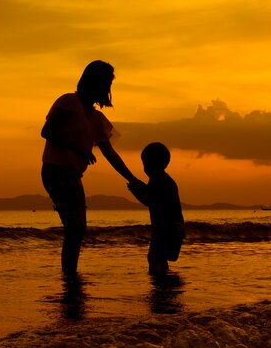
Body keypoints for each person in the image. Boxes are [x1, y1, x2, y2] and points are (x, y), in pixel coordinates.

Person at [41, 60, 142, 276]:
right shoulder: (68, 101)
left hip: (73, 175)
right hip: (55, 171)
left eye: (108, 84)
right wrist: (80, 148)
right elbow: (48, 131)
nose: (106, 88)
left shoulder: (97, 118)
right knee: (75, 228)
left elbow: (110, 154)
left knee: (78, 230)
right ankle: (69, 277)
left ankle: (70, 277)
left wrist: (132, 178)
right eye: (103, 83)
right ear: (91, 82)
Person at [128, 142, 185, 275]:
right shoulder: (165, 179)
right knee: (160, 257)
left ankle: (160, 281)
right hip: (176, 227)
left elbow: (148, 201)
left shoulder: (157, 179)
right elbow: (150, 193)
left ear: (149, 164)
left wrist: (135, 192)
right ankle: (164, 280)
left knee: (155, 257)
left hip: (165, 228)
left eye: (144, 163)